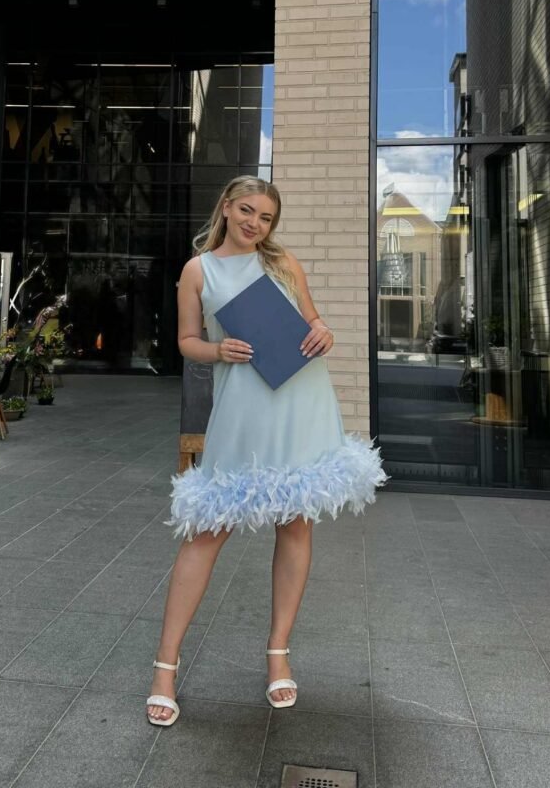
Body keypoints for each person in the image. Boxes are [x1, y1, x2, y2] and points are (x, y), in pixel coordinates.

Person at [146, 176, 387, 726]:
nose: (256, 223)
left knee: (297, 525)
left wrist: (323, 330)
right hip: (242, 411)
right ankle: (165, 667)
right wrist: (218, 349)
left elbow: (312, 321)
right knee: (205, 532)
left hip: (301, 401)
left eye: (267, 218)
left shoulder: (284, 265)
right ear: (226, 207)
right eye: (247, 210)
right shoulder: (197, 271)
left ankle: (278, 654)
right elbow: (186, 343)